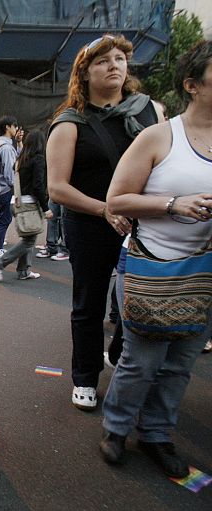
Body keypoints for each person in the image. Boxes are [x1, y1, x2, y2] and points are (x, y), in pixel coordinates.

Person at [99, 40, 212, 478]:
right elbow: (116, 199)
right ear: (192, 86)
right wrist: (173, 204)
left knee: (182, 363)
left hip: (203, 271)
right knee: (141, 358)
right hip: (150, 264)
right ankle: (116, 427)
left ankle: (157, 434)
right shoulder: (160, 136)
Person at [47, 34, 163, 411]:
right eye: (102, 61)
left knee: (139, 298)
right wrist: (104, 209)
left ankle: (117, 348)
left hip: (145, 223)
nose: (114, 65)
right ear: (84, 73)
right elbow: (57, 187)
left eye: (119, 58)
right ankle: (84, 376)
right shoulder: (70, 123)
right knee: (89, 303)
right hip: (91, 223)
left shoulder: (150, 112)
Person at [0, 129, 50, 281]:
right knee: (29, 240)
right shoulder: (38, 159)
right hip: (30, 204)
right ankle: (0, 262)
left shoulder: (21, 159)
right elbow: (38, 186)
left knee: (28, 238)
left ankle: (23, 271)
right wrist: (46, 208)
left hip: (17, 201)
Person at [0, 115, 19, 258]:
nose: (16, 129)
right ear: (7, 127)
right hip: (5, 188)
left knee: (3, 218)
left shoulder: (1, 144)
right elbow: (9, 171)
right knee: (4, 219)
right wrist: (15, 185)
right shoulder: (6, 147)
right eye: (14, 126)